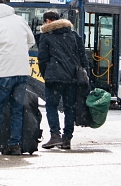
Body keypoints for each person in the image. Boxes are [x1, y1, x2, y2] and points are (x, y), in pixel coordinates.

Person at [0, 0, 36, 156]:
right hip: (21, 71)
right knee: (17, 109)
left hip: (3, 71)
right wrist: (19, 54)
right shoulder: (19, 20)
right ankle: (15, 144)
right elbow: (30, 41)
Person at [37, 11, 89, 150]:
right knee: (69, 107)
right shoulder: (74, 35)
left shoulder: (46, 36)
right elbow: (83, 57)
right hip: (72, 77)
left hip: (54, 78)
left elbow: (42, 59)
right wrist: (84, 74)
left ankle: (55, 135)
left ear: (47, 21)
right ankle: (67, 138)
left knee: (51, 106)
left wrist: (46, 74)